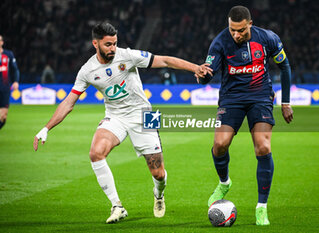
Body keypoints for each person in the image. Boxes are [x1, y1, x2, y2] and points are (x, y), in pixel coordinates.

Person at [33, 22, 211, 224]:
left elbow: (166, 61)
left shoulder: (127, 56)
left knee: (158, 173)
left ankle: (159, 195)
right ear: (95, 43)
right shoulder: (87, 70)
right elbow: (68, 102)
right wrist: (46, 128)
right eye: (108, 44)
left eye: (115, 43)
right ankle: (117, 206)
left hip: (143, 114)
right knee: (96, 152)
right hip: (115, 116)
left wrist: (196, 67)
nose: (113, 48)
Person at [195, 6, 293, 225]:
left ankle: (261, 207)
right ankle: (224, 182)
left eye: (240, 30)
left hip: (260, 96)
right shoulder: (220, 42)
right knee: (220, 144)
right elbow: (207, 75)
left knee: (263, 147)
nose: (236, 35)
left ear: (250, 23)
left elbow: (284, 67)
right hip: (231, 98)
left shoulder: (268, 38)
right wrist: (202, 75)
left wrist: (286, 102)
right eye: (232, 30)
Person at [0, 34, 20, 129]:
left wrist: (15, 81)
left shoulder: (8, 55)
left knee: (3, 117)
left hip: (4, 88)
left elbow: (15, 69)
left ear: (2, 42)